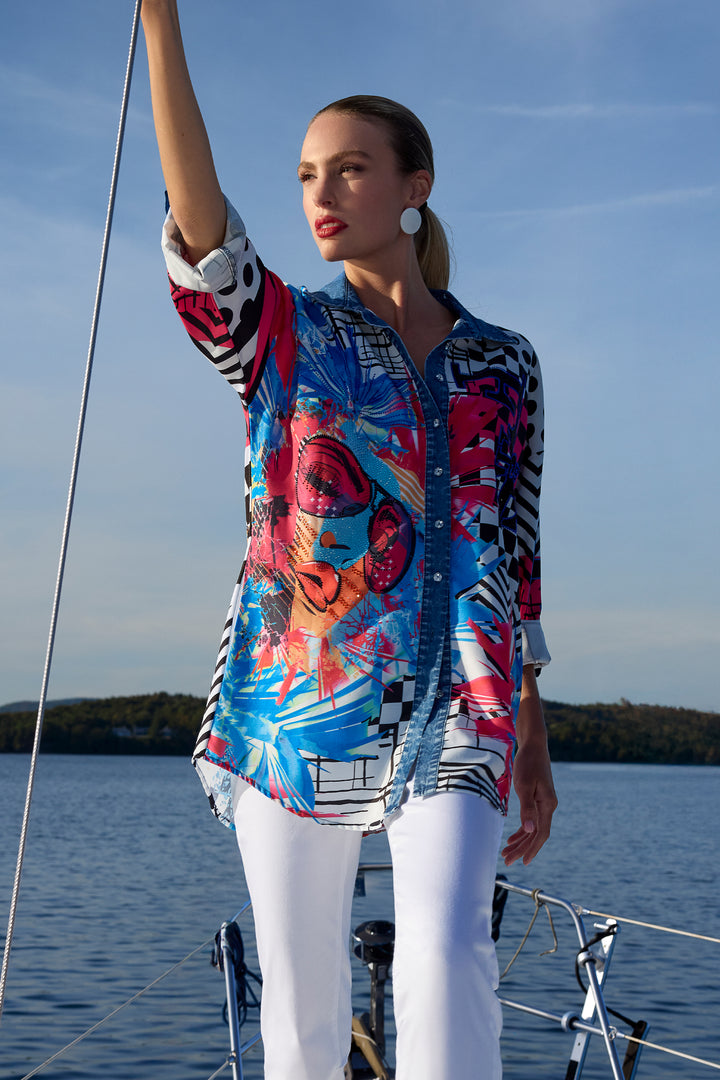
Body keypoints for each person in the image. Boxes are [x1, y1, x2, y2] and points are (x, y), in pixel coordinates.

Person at [142, 2, 558, 1077]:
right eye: (306, 176)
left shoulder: (504, 364)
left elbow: (515, 558)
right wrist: (158, 23)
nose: (320, 194)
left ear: (415, 187)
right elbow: (205, 237)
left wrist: (533, 731)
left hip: (465, 706)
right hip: (295, 702)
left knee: (449, 956)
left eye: (350, 169)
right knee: (302, 1012)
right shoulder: (285, 334)